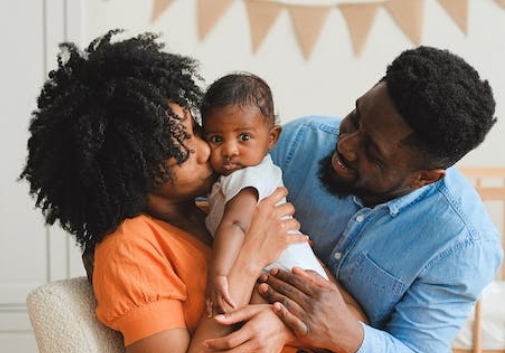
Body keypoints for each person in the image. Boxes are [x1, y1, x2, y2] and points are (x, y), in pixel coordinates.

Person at [18, 29, 310, 353]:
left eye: (197, 131)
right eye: (181, 145)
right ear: (133, 168)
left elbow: (340, 314)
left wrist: (281, 325)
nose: (205, 150)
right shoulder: (128, 246)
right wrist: (249, 260)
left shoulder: (217, 208)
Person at [201, 46, 503, 353]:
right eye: (355, 118)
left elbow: (417, 349)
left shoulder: (462, 246)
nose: (344, 145)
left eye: (371, 151)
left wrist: (343, 334)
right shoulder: (299, 142)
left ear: (424, 177)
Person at [201, 72, 328, 316]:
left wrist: (217, 274)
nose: (229, 150)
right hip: (290, 277)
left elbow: (236, 224)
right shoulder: (241, 176)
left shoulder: (247, 176)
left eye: (244, 137)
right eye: (216, 139)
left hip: (287, 277)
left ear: (272, 138)